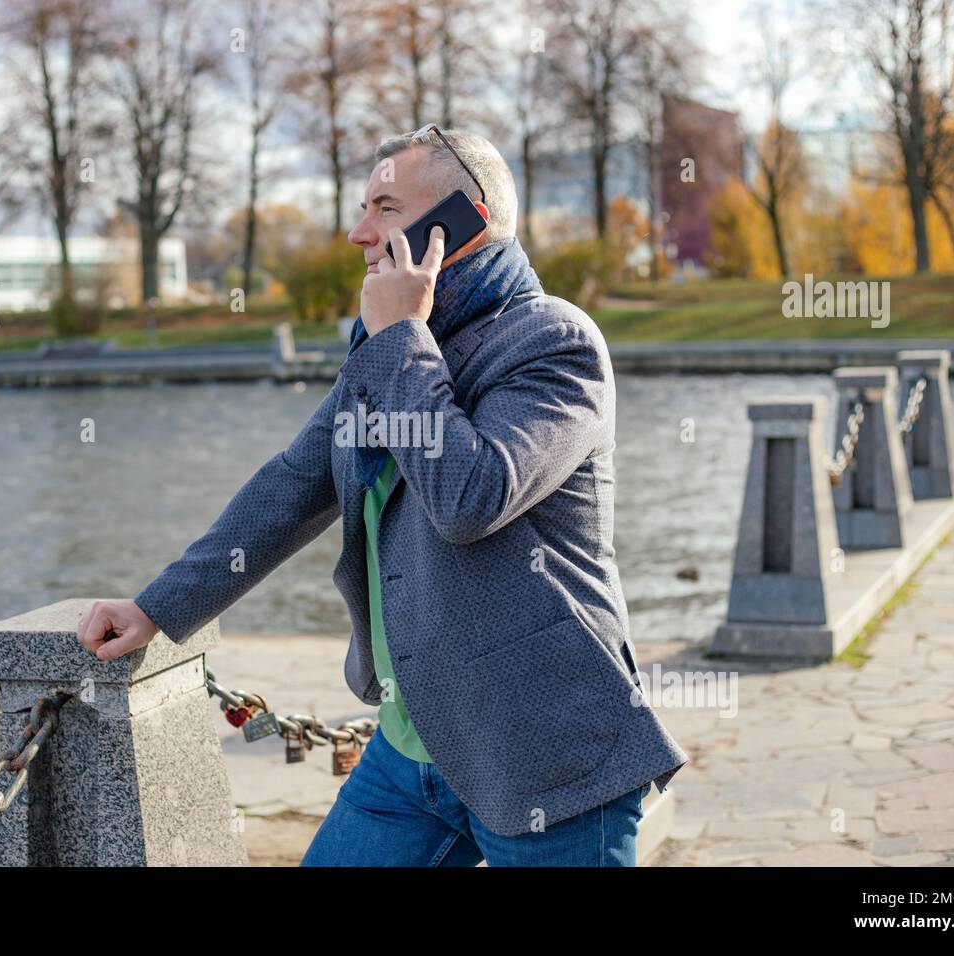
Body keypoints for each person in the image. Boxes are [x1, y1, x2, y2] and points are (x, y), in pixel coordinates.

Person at [77, 125, 688, 866]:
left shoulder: (554, 342)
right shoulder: (389, 350)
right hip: (412, 746)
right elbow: (293, 485)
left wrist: (400, 333)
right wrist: (155, 607)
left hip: (546, 753)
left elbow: (471, 496)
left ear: (464, 219)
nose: (359, 231)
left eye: (386, 207)